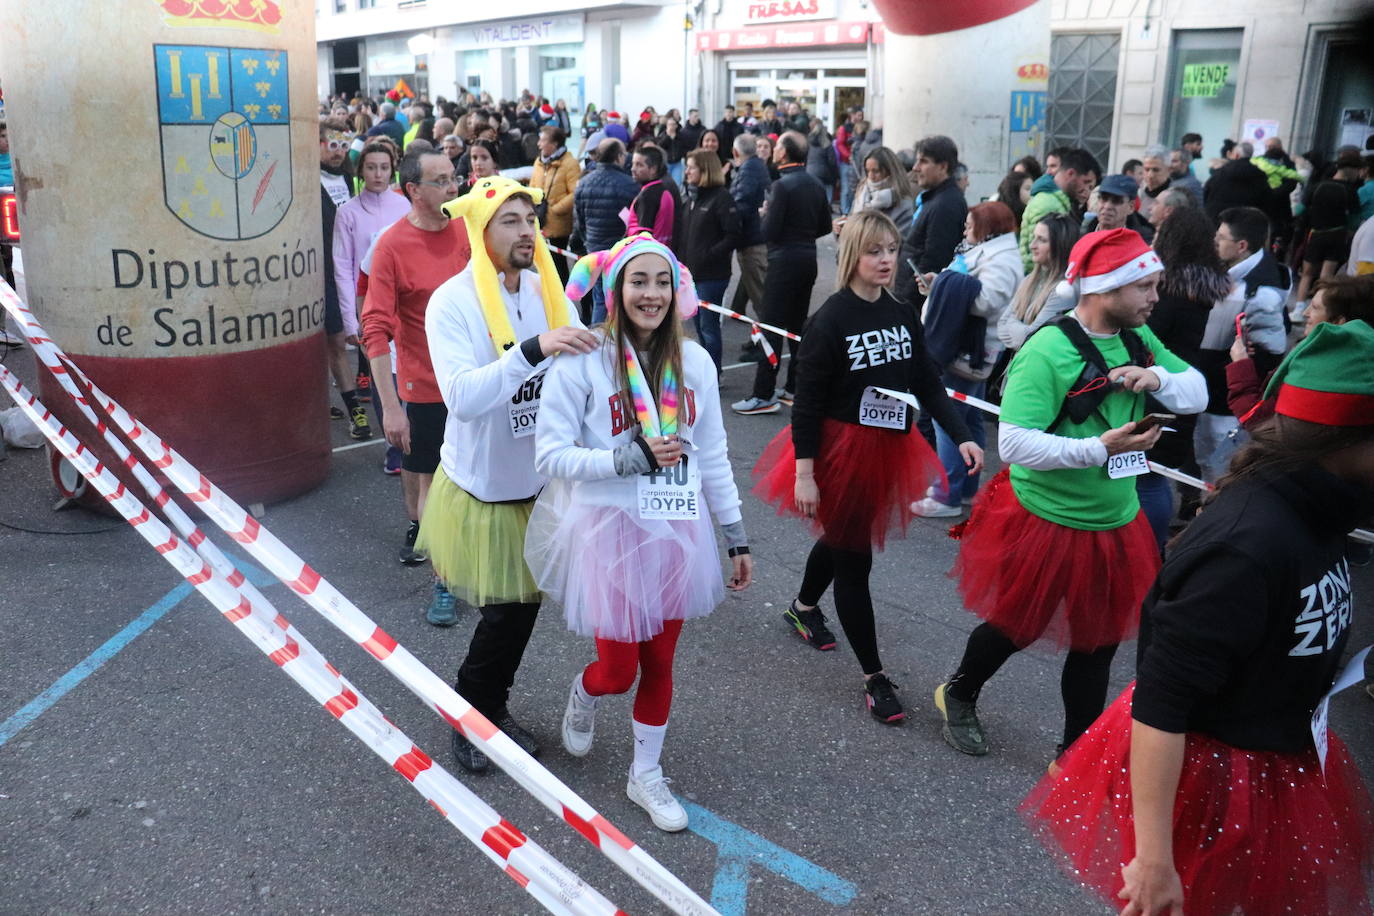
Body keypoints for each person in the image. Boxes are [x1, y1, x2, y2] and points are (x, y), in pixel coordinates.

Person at [1021, 319, 1374, 916]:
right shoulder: (1247, 546)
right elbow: (1162, 699)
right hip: (1214, 779)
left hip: (1279, 753)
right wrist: (1154, 860)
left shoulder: (1325, 517)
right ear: (1340, 442)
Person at [935, 229, 1207, 761]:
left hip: (1115, 519)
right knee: (1017, 625)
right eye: (1145, 287)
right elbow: (1012, 444)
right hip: (1046, 518)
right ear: (1105, 288)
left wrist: (1154, 377)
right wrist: (1099, 449)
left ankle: (1073, 753)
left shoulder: (1139, 339)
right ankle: (959, 692)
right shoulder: (1048, 348)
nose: (1156, 297)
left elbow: (1196, 388)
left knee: (1098, 643)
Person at [526, 233, 752, 832]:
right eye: (638, 281)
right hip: (608, 527)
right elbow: (549, 455)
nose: (651, 294)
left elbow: (713, 455)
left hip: (677, 527)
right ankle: (585, 689)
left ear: (677, 288)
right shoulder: (583, 359)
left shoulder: (696, 361)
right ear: (615, 288)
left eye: (661, 281)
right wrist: (620, 460)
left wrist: (735, 533)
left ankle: (644, 774)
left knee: (661, 661)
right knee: (619, 669)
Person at [752, 209, 984, 722]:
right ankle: (874, 677)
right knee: (855, 559)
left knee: (843, 538)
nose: (886, 260)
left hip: (885, 448)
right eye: (875, 250)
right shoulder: (830, 320)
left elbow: (926, 381)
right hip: (837, 453)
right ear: (853, 254)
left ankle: (804, 608)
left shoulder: (902, 313)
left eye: (892, 250)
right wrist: (805, 473)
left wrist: (962, 436)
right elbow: (807, 404)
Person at [421, 176, 596, 772]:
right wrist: (532, 349)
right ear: (481, 230)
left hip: (539, 484)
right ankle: (472, 717)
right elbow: (463, 398)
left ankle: (489, 705)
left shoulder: (549, 293)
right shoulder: (452, 301)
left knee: (521, 612)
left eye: (531, 218)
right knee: (504, 615)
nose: (528, 231)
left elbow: (579, 381)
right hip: (484, 490)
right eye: (512, 221)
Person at [360, 150, 473, 598]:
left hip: (476, 379)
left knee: (478, 480)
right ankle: (443, 582)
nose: (454, 188)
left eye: (454, 178)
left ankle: (475, 560)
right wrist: (391, 408)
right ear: (413, 191)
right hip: (424, 386)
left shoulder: (469, 228)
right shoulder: (391, 245)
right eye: (442, 181)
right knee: (433, 484)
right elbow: (375, 330)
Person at [912, 202, 1022, 517]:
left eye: (970, 224)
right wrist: (939, 282)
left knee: (946, 419)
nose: (964, 230)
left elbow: (987, 300)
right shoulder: (989, 251)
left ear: (987, 228)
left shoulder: (1001, 259)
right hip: (966, 349)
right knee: (969, 419)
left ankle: (945, 495)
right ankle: (965, 490)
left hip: (965, 352)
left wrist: (945, 283)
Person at [1140, 207, 1233, 542]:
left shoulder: (1169, 290)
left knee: (1147, 476)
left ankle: (1150, 547)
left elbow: (1148, 334)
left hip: (1160, 388)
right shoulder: (1201, 286)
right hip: (1182, 382)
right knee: (1154, 476)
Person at [731, 131, 832, 415]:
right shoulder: (814, 184)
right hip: (807, 259)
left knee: (771, 326)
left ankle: (763, 394)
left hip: (784, 260)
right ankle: (792, 386)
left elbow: (769, 232)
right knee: (796, 327)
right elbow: (825, 225)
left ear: (784, 154)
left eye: (776, 146)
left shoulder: (782, 186)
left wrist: (766, 214)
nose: (773, 150)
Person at [1193, 206, 1290, 481]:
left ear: (1242, 246)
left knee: (1220, 467)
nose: (1215, 242)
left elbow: (1269, 355)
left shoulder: (1261, 292)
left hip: (1225, 402)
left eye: (1221, 238)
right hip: (1216, 391)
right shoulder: (1237, 273)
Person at [333, 140, 411, 467]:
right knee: (383, 380)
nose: (377, 174)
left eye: (383, 167)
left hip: (407, 308)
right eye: (370, 167)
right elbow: (342, 267)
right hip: (371, 310)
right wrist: (352, 321)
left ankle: (417, 441)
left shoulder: (405, 207)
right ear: (360, 170)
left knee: (410, 375)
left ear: (391, 168)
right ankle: (394, 448)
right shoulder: (347, 212)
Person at [1227, 274, 1374, 429]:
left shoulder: (1316, 369)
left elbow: (1255, 419)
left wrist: (1240, 364)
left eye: (1316, 308)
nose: (1305, 313)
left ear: (1338, 322)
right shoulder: (1359, 363)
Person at [318, 118, 369, 442]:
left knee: (343, 338)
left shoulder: (349, 178)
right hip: (319, 272)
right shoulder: (307, 179)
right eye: (331, 144)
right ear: (319, 144)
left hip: (348, 270)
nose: (338, 151)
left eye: (343, 144)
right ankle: (355, 410)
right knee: (335, 341)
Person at [678, 149, 741, 372]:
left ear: (704, 170)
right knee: (698, 326)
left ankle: (714, 373)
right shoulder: (691, 197)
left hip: (712, 276)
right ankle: (706, 370)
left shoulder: (722, 198)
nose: (686, 171)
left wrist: (708, 255)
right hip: (692, 274)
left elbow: (733, 235)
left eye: (691, 167)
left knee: (708, 327)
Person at [893, 135, 968, 307]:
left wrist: (905, 301)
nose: (915, 167)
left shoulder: (945, 205)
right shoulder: (937, 199)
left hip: (916, 302)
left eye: (923, 162)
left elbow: (933, 262)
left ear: (943, 167)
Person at [573, 139, 640, 324]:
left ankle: (596, 340)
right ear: (619, 157)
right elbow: (635, 221)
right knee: (622, 298)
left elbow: (579, 220)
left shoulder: (584, 183)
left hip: (594, 248)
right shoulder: (630, 185)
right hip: (621, 250)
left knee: (600, 298)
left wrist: (588, 242)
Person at [997, 212, 1080, 351]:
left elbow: (1034, 339)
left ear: (1059, 245)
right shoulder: (1030, 279)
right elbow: (1001, 325)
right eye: (1034, 238)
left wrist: (1012, 325)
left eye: (1042, 240)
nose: (1032, 245)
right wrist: (1021, 330)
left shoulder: (1064, 290)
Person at [1018, 148, 1101, 271]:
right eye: (1085, 182)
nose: (1087, 190)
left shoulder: (1059, 201)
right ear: (1071, 174)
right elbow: (1039, 255)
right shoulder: (1049, 204)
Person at [728, 133, 770, 331]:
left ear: (736, 152)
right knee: (752, 281)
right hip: (753, 236)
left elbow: (741, 203)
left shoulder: (749, 169)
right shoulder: (753, 166)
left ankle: (768, 341)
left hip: (752, 238)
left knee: (760, 295)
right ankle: (738, 308)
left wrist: (726, 216)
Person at [530, 125, 578, 287]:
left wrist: (556, 209)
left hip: (559, 224)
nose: (539, 144)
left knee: (558, 264)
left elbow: (574, 193)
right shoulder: (538, 162)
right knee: (542, 263)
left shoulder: (570, 163)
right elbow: (532, 186)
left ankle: (563, 298)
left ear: (555, 144)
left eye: (543, 140)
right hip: (539, 219)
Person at [837, 147, 914, 233]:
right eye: (867, 171)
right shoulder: (862, 191)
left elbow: (900, 240)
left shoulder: (902, 202)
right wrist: (842, 229)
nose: (871, 176)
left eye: (876, 171)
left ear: (889, 171)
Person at [627, 143, 681, 248]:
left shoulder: (647, 196)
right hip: (663, 251)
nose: (633, 169)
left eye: (639, 165)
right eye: (633, 164)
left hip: (648, 253)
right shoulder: (663, 189)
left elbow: (644, 236)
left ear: (653, 169)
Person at [1203, 140, 1270, 221]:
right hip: (1246, 223)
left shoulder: (1221, 173)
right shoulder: (1261, 175)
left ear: (1236, 155)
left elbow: (1206, 194)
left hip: (1218, 220)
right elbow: (1266, 202)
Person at [1084, 173, 1153, 242]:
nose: (1107, 206)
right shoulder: (1083, 231)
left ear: (1131, 207)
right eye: (1104, 198)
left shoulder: (1142, 242)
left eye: (1116, 200)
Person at [1136, 146, 1172, 222]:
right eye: (1147, 169)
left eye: (1156, 170)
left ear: (1168, 170)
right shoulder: (1138, 194)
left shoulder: (1174, 197)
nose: (1150, 175)